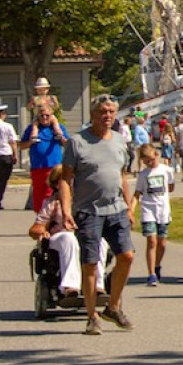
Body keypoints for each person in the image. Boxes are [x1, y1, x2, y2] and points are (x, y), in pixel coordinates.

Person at [59, 94, 135, 335]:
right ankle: (92, 316)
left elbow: (122, 175)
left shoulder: (120, 141)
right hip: (88, 211)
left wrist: (129, 205)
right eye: (103, 112)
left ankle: (113, 307)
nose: (107, 116)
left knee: (127, 256)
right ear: (92, 115)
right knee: (91, 264)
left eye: (111, 112)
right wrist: (65, 210)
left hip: (116, 209)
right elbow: (65, 179)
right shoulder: (77, 142)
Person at [28, 165, 106, 298]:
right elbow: (35, 228)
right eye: (65, 180)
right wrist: (41, 232)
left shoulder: (86, 201)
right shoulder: (53, 202)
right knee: (68, 238)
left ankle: (97, 285)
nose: (71, 183)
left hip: (83, 236)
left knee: (100, 240)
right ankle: (70, 286)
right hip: (60, 237)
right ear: (56, 184)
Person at [133, 143, 175, 287]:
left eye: (151, 160)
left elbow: (170, 187)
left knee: (162, 242)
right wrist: (131, 210)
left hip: (163, 209)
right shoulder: (143, 174)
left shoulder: (166, 170)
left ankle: (157, 265)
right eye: (146, 161)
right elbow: (137, 193)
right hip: (148, 209)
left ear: (156, 155)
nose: (149, 163)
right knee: (152, 241)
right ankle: (151, 274)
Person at [21, 105, 69, 211]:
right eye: (42, 115)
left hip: (54, 167)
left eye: (47, 115)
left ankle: (50, 218)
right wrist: (31, 141)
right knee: (38, 195)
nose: (44, 118)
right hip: (37, 167)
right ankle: (40, 218)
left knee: (50, 193)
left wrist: (60, 135)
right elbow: (22, 145)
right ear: (38, 116)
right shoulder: (31, 128)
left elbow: (67, 144)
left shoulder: (58, 127)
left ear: (52, 116)